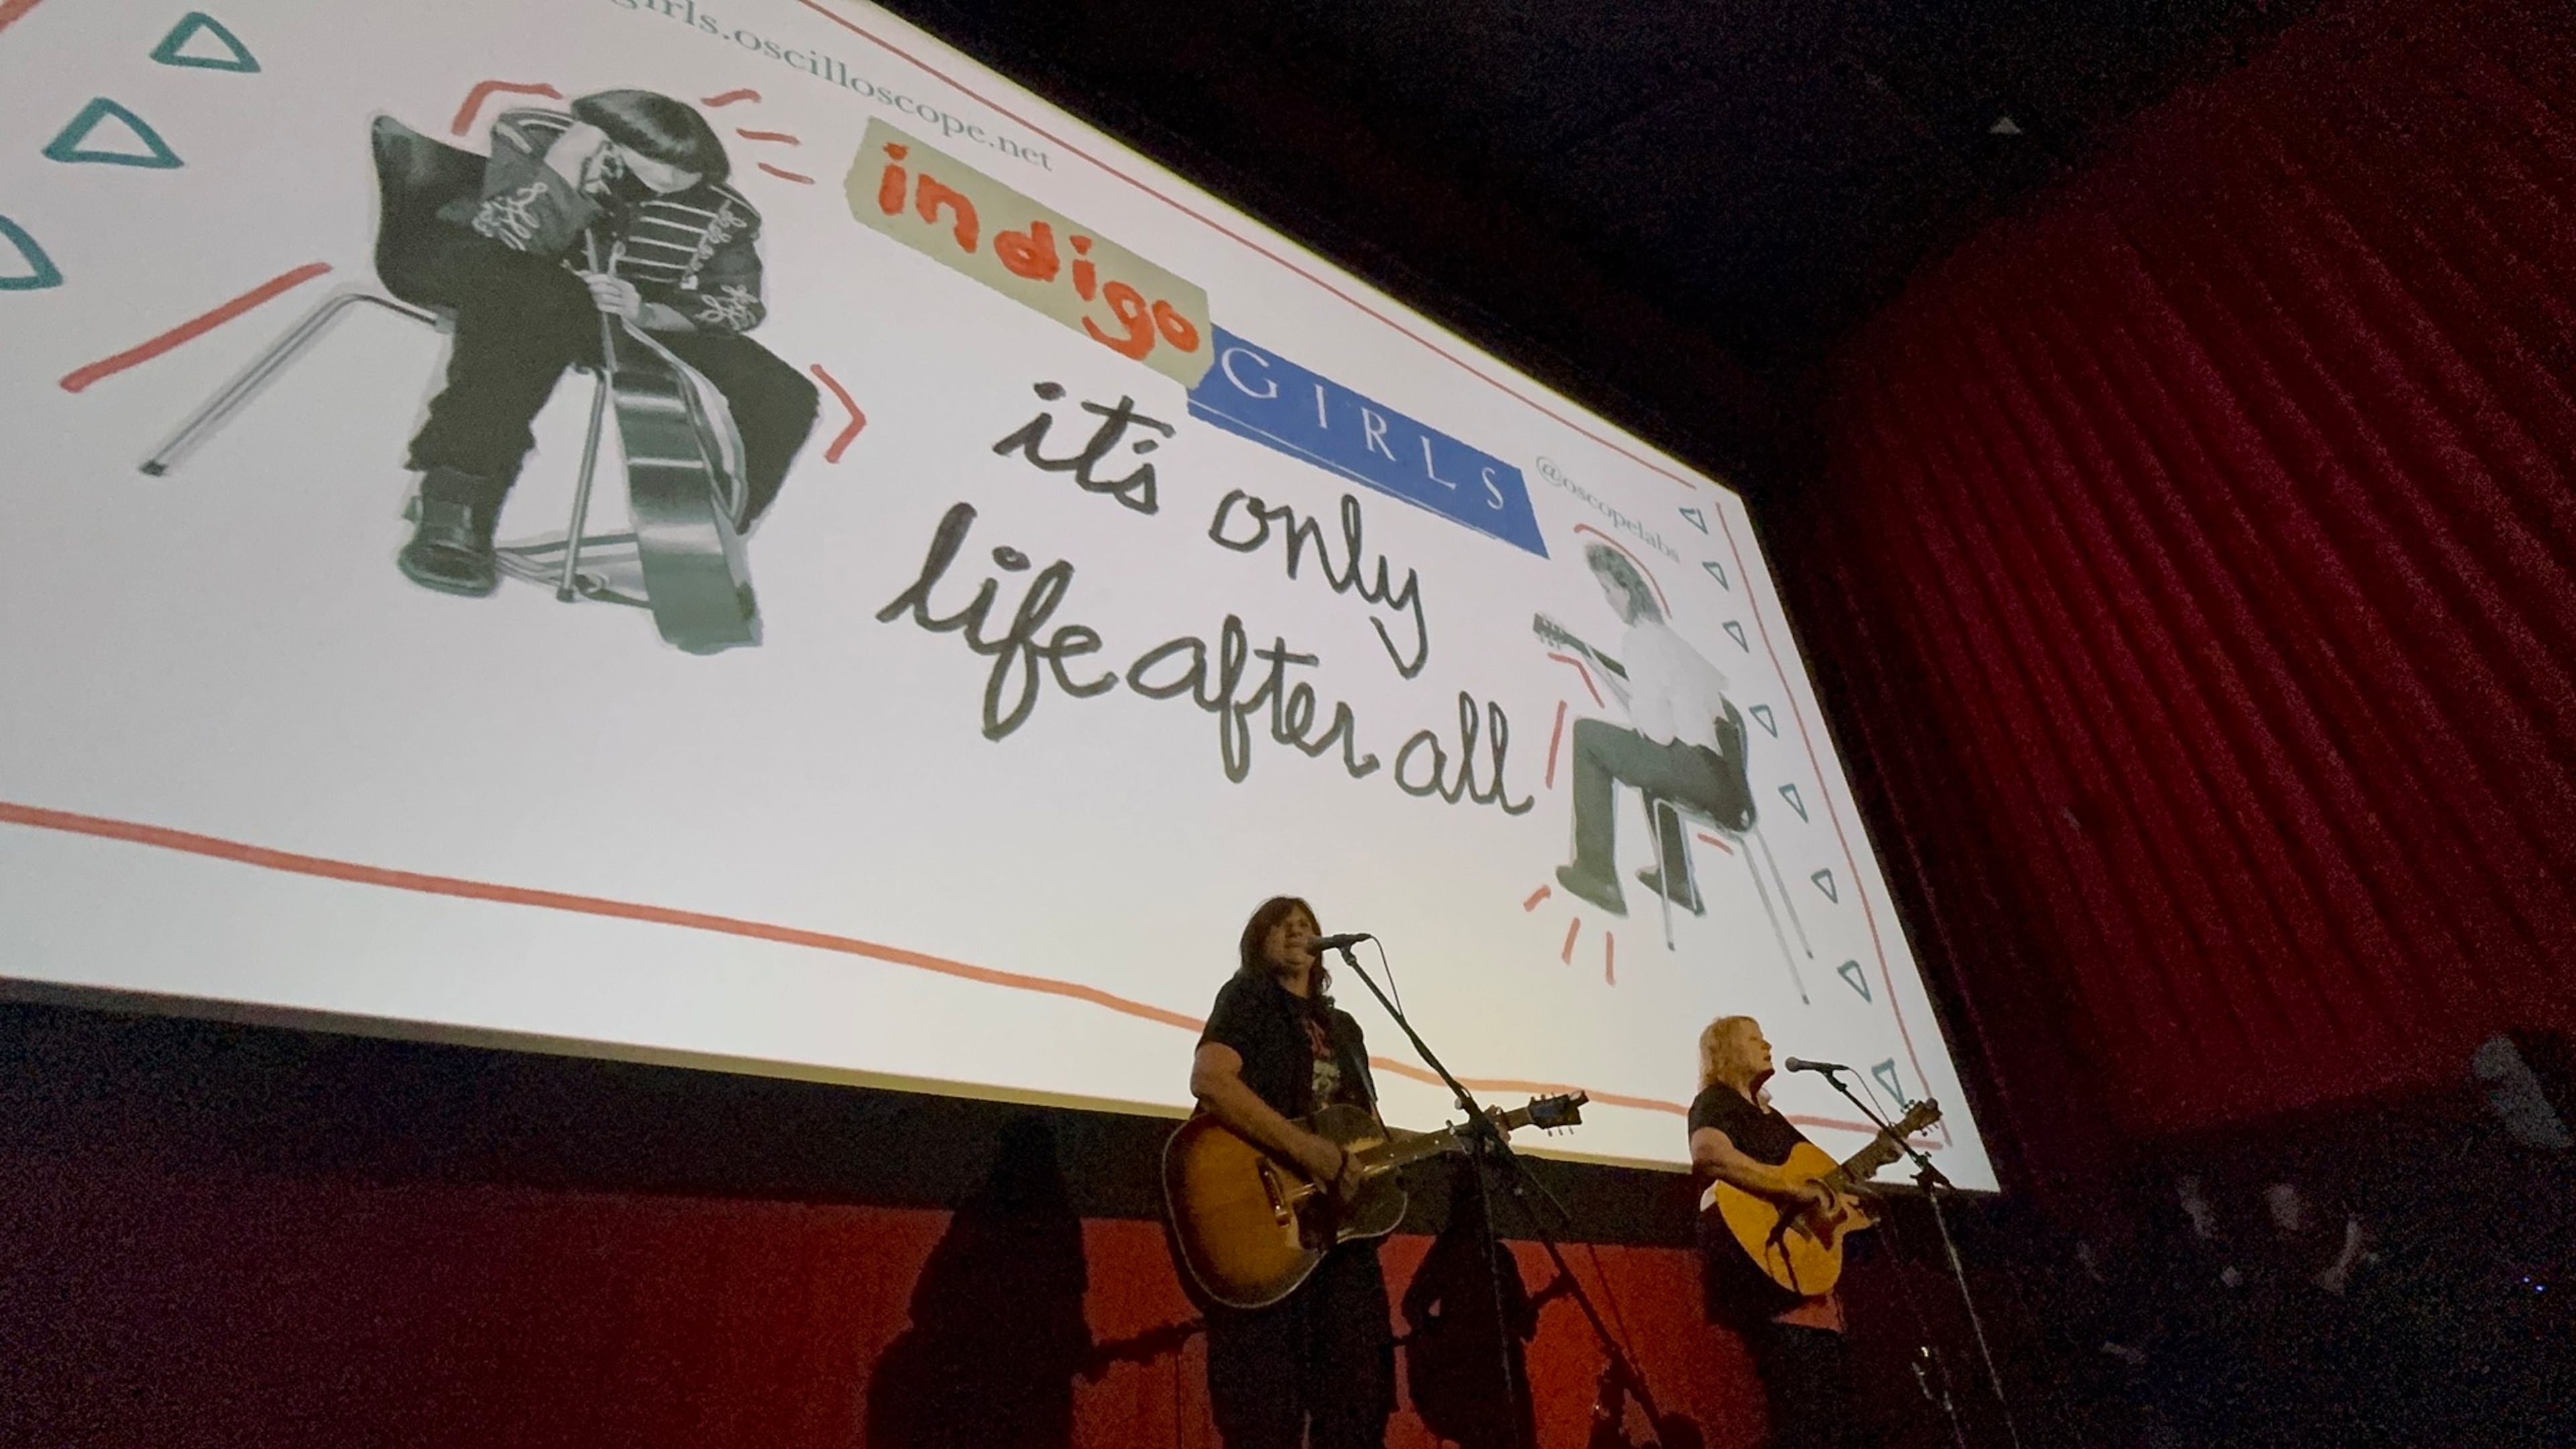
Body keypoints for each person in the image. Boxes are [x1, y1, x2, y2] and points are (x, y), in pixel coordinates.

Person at [387, 89, 819, 596]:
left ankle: (702, 542)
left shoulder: (724, 212)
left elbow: (739, 303)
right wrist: (570, 157)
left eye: (685, 169)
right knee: (539, 295)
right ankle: (456, 506)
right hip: (495, 277)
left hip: (616, 314)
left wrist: (648, 311)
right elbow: (509, 240)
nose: (668, 178)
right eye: (649, 158)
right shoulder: (536, 136)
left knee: (785, 391)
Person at [1189, 896, 1395, 1449]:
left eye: (1306, 925)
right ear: (1258, 942)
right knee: (1264, 1412)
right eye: (1280, 925)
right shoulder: (1248, 1000)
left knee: (1357, 1402)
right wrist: (1308, 1152)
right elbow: (1211, 1080)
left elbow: (1368, 1126)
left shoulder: (1345, 1029)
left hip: (1340, 1238)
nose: (1296, 931)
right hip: (1268, 1229)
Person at [1687, 1015, 1876, 1449]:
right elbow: (1709, 1154)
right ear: (1726, 1050)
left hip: (1806, 1283)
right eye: (1755, 1038)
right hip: (1767, 1277)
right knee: (1805, 1415)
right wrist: (1792, 1188)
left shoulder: (1772, 1118)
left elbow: (1819, 1186)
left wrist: (1846, 1207)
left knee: (1837, 1418)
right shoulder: (1716, 1103)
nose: (1768, 1045)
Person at [1552, 544, 1753, 918]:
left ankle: (1598, 875)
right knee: (1648, 763)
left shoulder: (1640, 640)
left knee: (1588, 735)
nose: (1608, 600)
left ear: (1627, 590)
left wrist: (1638, 712)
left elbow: (1657, 734)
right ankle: (1677, 880)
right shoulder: (1672, 642)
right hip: (1725, 786)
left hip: (1693, 770)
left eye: (1609, 590)